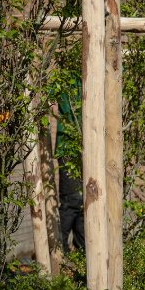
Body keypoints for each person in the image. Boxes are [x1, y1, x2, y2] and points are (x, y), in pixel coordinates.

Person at [56, 79, 85, 255]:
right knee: (72, 201)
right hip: (69, 151)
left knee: (83, 204)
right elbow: (48, 93)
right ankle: (62, 253)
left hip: (90, 152)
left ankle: (82, 255)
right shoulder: (65, 79)